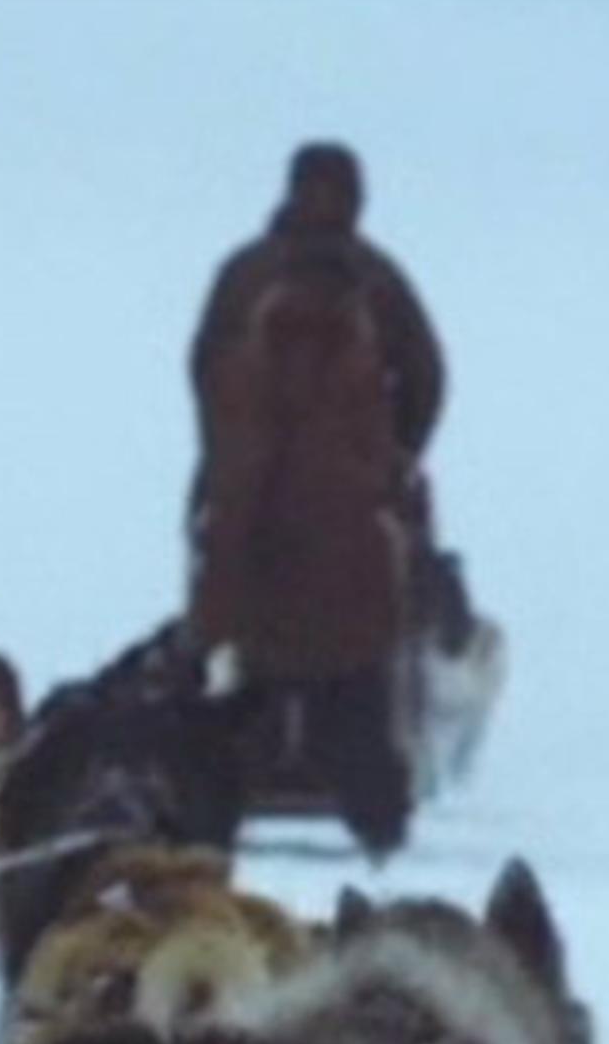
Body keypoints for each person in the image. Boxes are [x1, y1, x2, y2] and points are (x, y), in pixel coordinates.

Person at [180, 141, 446, 858]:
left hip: (251, 521)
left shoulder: (243, 278)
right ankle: (378, 824)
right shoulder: (379, 281)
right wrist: (392, 458)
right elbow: (426, 375)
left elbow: (204, 373)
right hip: (351, 528)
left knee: (236, 680)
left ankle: (216, 809)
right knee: (354, 684)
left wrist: (219, 466)